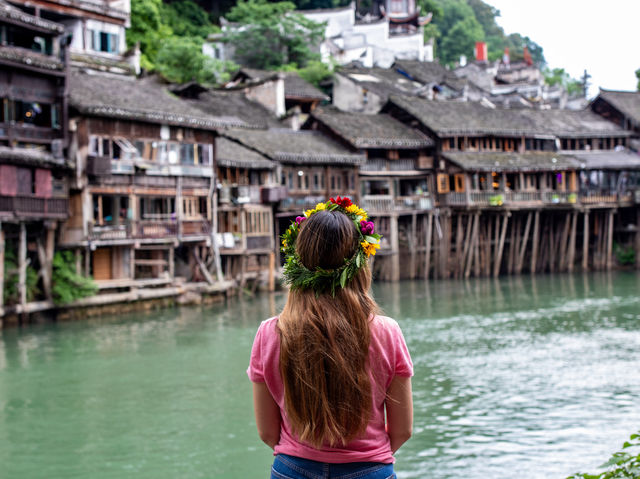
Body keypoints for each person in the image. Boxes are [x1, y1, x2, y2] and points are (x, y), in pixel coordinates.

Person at [248, 197, 414, 479]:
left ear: (298, 263)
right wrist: (364, 460)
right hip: (369, 470)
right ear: (359, 263)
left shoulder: (270, 333)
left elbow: (267, 433)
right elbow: (402, 430)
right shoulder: (387, 331)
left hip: (293, 470)